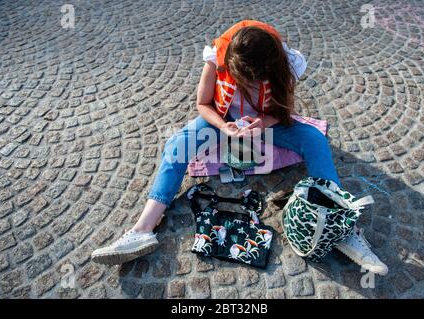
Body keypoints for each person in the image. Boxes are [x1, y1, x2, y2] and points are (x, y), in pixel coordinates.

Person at [91, 20, 388, 275]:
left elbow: (281, 111)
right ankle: (143, 230)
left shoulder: (286, 65)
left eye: (258, 83)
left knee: (313, 139)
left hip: (265, 125)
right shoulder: (216, 60)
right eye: (246, 81)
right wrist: (223, 127)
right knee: (177, 145)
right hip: (222, 121)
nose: (253, 87)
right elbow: (202, 104)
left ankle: (343, 228)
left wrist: (262, 124)